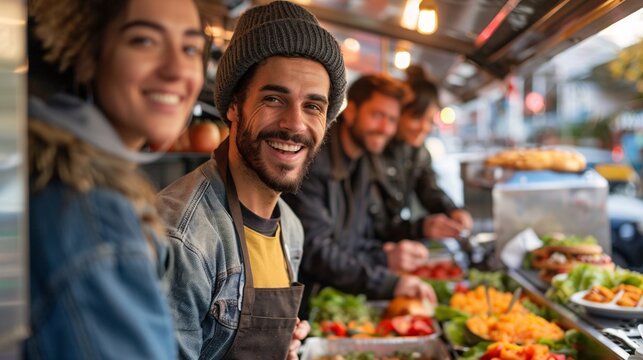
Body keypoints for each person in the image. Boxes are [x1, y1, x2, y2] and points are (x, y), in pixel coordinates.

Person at [156, 2, 346, 359]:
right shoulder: (182, 237)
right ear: (234, 106)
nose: (294, 124)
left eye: (313, 106)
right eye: (274, 98)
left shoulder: (289, 227)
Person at [26, 0, 206, 358]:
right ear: (88, 55)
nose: (176, 70)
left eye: (190, 48)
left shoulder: (53, 175)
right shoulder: (92, 212)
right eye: (144, 41)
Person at [283, 74, 436, 314]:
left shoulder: (363, 161)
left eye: (392, 119)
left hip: (336, 294)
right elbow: (316, 250)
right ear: (352, 111)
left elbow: (355, 238)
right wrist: (389, 280)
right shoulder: (312, 162)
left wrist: (387, 254)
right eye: (377, 115)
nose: (385, 128)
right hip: (304, 305)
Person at [370, 66, 473, 242]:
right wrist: (420, 227)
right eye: (417, 118)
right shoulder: (374, 149)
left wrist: (452, 210)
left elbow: (429, 189)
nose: (424, 128)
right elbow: (375, 223)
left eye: (430, 121)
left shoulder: (418, 150)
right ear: (399, 113)